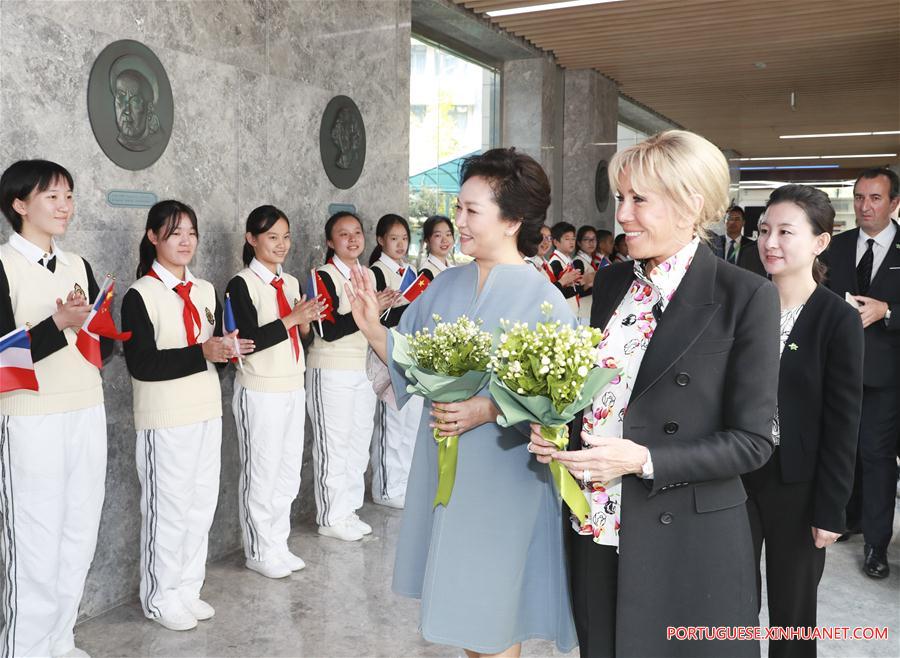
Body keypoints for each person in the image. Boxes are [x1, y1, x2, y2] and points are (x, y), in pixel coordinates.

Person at [529, 130, 780, 658]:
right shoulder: (615, 283)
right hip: (596, 521)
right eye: (622, 198)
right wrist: (559, 429)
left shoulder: (745, 295)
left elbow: (752, 442)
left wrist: (643, 458)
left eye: (639, 199)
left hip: (685, 536)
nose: (622, 215)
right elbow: (608, 393)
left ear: (691, 203)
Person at [347, 148, 577, 657]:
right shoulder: (445, 284)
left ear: (513, 220)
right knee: (466, 615)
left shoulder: (546, 301)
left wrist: (489, 409)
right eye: (459, 208)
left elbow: (556, 405)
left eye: (473, 211)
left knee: (493, 617)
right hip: (446, 469)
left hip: (504, 477)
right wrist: (370, 326)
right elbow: (409, 361)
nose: (459, 222)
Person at [121, 200, 253, 631]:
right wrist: (203, 352)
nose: (185, 241)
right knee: (169, 509)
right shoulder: (140, 294)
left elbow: (210, 349)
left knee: (200, 506)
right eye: (174, 232)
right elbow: (142, 364)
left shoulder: (205, 290)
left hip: (205, 412)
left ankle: (187, 589)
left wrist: (225, 350)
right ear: (153, 237)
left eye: (191, 233)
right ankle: (160, 596)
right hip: (165, 418)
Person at [0, 159, 112, 658]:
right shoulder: (4, 265)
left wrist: (96, 328)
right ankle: (25, 647)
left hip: (85, 409)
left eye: (69, 195)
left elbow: (97, 347)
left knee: (79, 530)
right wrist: (58, 323)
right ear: (19, 205)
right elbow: (2, 358)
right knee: (34, 541)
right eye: (52, 196)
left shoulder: (78, 265)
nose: (64, 206)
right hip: (31, 417)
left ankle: (59, 639)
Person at [746, 185, 863, 658]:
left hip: (798, 484)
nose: (770, 242)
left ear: (819, 241)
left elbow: (843, 421)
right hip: (734, 475)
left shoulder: (837, 318)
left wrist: (830, 510)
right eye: (764, 230)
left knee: (792, 614)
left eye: (785, 232)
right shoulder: (745, 304)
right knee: (729, 601)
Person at [226, 205, 324, 579]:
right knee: (262, 470)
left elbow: (301, 336)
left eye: (285, 236)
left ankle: (278, 543)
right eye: (272, 237)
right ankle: (258, 549)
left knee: (286, 471)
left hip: (292, 385)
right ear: (252, 239)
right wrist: (291, 320)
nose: (281, 244)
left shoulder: (293, 282)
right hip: (261, 389)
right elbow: (249, 340)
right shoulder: (241, 284)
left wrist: (303, 325)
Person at [821, 166, 900, 578]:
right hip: (838, 371)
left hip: (887, 376)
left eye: (874, 198)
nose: (865, 206)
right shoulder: (837, 246)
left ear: (894, 203)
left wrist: (888, 312)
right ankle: (847, 519)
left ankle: (876, 544)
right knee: (842, 450)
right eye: (859, 198)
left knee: (877, 455)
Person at [306, 211, 394, 541]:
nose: (353, 239)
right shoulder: (322, 276)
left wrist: (378, 307)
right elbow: (326, 330)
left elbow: (374, 325)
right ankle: (331, 515)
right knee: (334, 443)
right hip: (331, 370)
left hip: (364, 368)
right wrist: (363, 312)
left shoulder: (369, 275)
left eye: (357, 232)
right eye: (344, 234)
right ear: (330, 241)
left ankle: (349, 510)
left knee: (358, 441)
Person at [369, 213, 422, 509]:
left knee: (410, 423)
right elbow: (376, 317)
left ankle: (403, 483)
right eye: (394, 238)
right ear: (380, 240)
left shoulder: (410, 270)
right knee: (392, 423)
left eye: (404, 238)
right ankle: (387, 487)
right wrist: (407, 306)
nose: (400, 244)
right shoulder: (377, 272)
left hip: (409, 351)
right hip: (386, 352)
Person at [712, 205, 766, 277]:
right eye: (730, 218)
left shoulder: (752, 246)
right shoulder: (714, 243)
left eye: (737, 219)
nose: (733, 222)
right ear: (724, 221)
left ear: (743, 222)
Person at [548, 221, 583, 315]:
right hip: (562, 313)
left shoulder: (568, 261)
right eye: (567, 239)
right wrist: (580, 287)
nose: (571, 242)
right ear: (555, 242)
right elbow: (556, 292)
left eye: (573, 239)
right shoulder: (555, 262)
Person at [573, 226, 599, 324]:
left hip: (590, 311)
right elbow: (577, 290)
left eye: (593, 239)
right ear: (579, 243)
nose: (591, 242)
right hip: (583, 313)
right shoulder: (578, 262)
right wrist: (592, 284)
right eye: (586, 239)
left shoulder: (591, 261)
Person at [418, 214, 455, 281]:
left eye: (448, 234)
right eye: (438, 235)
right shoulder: (426, 274)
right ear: (427, 240)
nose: (444, 240)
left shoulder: (453, 269)